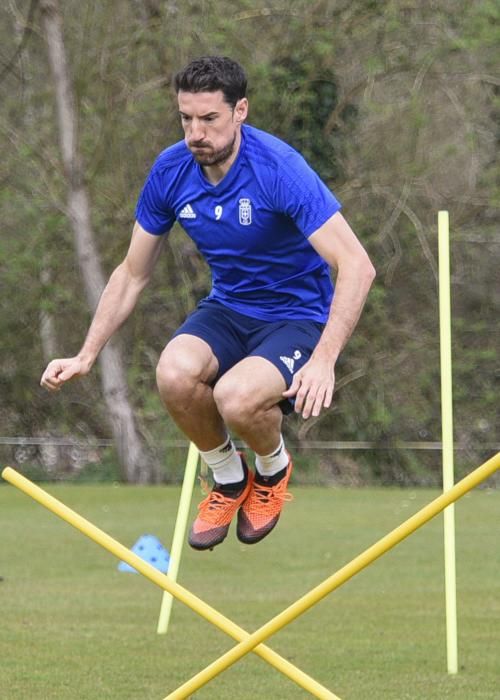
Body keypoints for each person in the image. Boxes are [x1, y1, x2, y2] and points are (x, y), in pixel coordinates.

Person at [41, 56, 375, 552]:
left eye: (209, 119)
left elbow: (357, 266)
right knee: (173, 373)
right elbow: (133, 273)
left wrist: (324, 360)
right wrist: (86, 354)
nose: (196, 132)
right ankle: (227, 478)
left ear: (240, 110)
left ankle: (273, 468)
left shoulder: (279, 169)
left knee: (236, 398)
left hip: (296, 317)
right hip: (229, 307)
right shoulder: (172, 171)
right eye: (186, 119)